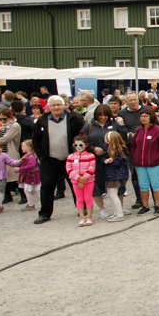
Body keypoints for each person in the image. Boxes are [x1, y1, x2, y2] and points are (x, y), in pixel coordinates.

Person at [31, 95, 85, 224]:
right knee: (47, 187)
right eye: (53, 105)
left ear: (64, 106)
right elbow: (35, 140)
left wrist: (80, 154)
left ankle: (82, 210)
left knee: (76, 185)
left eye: (59, 104)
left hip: (71, 159)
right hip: (49, 159)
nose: (56, 107)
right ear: (48, 107)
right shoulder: (42, 121)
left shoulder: (75, 119)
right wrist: (41, 156)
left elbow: (83, 136)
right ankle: (44, 214)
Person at [129, 107, 159, 215]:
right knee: (143, 185)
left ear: (151, 117)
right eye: (142, 116)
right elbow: (133, 145)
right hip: (140, 163)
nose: (143, 118)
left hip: (154, 163)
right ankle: (145, 206)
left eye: (146, 116)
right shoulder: (138, 130)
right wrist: (134, 156)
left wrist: (157, 157)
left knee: (155, 184)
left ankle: (157, 205)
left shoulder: (158, 130)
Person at [65, 135, 96, 226]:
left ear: (86, 145)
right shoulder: (70, 157)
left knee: (88, 198)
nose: (78, 147)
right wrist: (78, 178)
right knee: (79, 199)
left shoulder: (90, 155)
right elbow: (68, 168)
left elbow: (92, 168)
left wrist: (84, 178)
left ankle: (89, 217)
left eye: (80, 145)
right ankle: (82, 218)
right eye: (76, 145)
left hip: (88, 181)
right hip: (76, 181)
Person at [101, 131, 130, 222]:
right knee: (110, 194)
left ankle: (120, 214)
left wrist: (112, 161)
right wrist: (105, 160)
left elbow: (121, 162)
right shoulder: (107, 148)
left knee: (113, 194)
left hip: (117, 175)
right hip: (110, 174)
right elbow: (103, 157)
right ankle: (116, 212)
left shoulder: (119, 149)